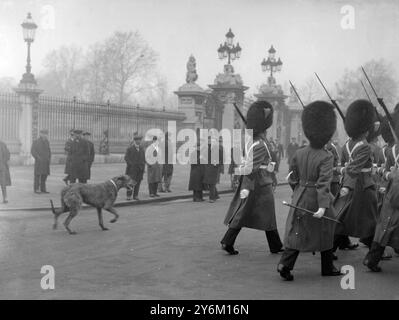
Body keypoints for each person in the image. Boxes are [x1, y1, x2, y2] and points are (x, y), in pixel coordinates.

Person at [278, 101, 341, 281]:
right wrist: (322, 206)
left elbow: (292, 176)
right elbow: (323, 183)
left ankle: (285, 264)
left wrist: (297, 191)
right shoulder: (326, 156)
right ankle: (327, 267)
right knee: (327, 229)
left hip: (300, 195)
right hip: (317, 198)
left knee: (298, 230)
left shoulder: (299, 153)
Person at [221, 100, 283, 255]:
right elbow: (252, 168)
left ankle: (275, 244)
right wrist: (247, 188)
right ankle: (227, 241)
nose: (267, 133)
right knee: (246, 213)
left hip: (258, 181)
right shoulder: (260, 145)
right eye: (265, 131)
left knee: (252, 213)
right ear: (262, 130)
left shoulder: (254, 142)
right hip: (258, 183)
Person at [333, 100, 379, 253]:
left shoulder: (346, 144)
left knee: (345, 214)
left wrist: (343, 177)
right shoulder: (365, 146)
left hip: (349, 183)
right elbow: (354, 168)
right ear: (365, 129)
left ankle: (337, 244)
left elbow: (344, 165)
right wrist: (347, 183)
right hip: (363, 185)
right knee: (371, 216)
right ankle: (375, 251)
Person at [363, 111, 399, 271]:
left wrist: (389, 174)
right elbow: (385, 171)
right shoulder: (391, 150)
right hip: (393, 189)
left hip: (392, 191)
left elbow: (383, 171)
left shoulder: (391, 150)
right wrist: (390, 174)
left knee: (385, 224)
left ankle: (372, 259)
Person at [125, 133, 145, 200]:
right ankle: (128, 196)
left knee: (138, 183)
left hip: (140, 169)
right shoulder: (130, 149)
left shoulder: (142, 148)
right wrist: (131, 164)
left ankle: (135, 195)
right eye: (137, 140)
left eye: (140, 140)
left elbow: (143, 158)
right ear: (135, 141)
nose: (139, 141)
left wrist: (143, 167)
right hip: (132, 170)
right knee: (130, 183)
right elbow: (126, 158)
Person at [31, 129, 51, 194]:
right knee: (37, 175)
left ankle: (43, 189)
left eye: (46, 134)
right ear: (40, 134)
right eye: (43, 134)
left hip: (45, 162)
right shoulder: (36, 141)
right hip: (39, 161)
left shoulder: (47, 142)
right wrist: (37, 157)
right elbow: (33, 151)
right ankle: (36, 189)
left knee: (44, 175)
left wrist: (49, 158)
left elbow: (49, 151)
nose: (45, 135)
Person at [203, 136, 220, 203]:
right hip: (208, 167)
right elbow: (205, 155)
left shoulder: (218, 149)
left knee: (212, 183)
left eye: (213, 141)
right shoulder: (208, 147)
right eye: (211, 141)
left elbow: (222, 159)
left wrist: (217, 163)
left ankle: (212, 198)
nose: (212, 142)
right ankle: (216, 195)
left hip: (214, 168)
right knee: (210, 183)